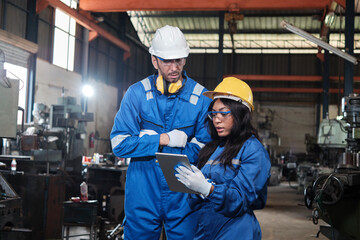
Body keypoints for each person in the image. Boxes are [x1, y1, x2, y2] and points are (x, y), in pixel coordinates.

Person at [110, 25, 212, 240]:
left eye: (179, 60)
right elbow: (119, 144)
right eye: (167, 61)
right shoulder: (136, 94)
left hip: (184, 188)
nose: (174, 67)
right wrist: (164, 139)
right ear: (154, 60)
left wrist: (174, 153)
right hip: (142, 188)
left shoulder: (201, 97)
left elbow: (205, 145)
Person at [175, 77, 271, 240]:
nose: (217, 119)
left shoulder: (253, 150)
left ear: (241, 114)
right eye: (213, 114)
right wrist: (192, 186)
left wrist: (207, 189)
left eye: (223, 113)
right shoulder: (213, 148)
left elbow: (240, 200)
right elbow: (198, 197)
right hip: (207, 227)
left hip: (236, 230)